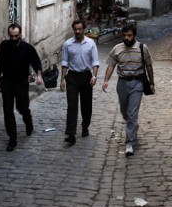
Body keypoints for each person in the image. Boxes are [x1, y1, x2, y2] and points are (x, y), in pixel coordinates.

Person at [101, 23, 155, 156]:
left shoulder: (143, 48)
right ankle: (132, 125)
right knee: (124, 112)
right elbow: (111, 65)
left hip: (137, 83)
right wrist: (106, 80)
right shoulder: (117, 49)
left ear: (134, 36)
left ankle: (130, 142)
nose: (126, 38)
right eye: (124, 35)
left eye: (129, 35)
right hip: (122, 83)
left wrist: (152, 83)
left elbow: (149, 66)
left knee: (132, 113)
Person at [0, 23, 43, 152]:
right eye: (11, 36)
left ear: (20, 34)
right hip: (7, 82)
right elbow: (0, 64)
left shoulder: (27, 48)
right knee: (8, 110)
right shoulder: (4, 46)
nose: (13, 39)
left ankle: (28, 122)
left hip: (21, 82)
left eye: (16, 36)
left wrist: (38, 75)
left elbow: (36, 63)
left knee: (22, 107)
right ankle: (12, 138)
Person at [60, 20, 100, 145]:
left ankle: (85, 126)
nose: (77, 31)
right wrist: (62, 79)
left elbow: (95, 62)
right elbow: (65, 63)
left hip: (86, 76)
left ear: (84, 29)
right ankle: (71, 133)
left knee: (86, 104)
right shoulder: (68, 44)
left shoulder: (91, 43)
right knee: (72, 105)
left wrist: (94, 76)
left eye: (79, 29)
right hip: (72, 77)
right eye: (75, 29)